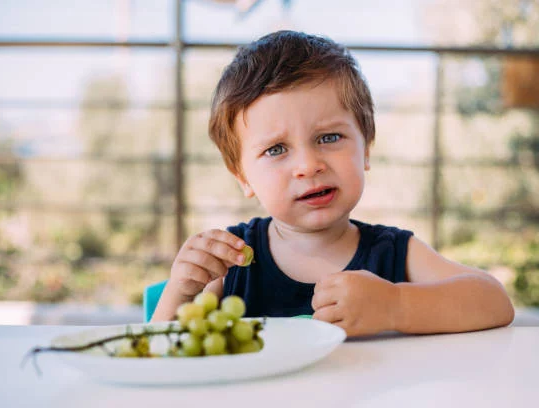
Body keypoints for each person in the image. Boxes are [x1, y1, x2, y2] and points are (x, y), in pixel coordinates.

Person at [152, 30, 515, 337]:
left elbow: (494, 301)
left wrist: (395, 305)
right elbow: (157, 349)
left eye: (328, 138)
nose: (309, 166)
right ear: (243, 177)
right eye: (277, 149)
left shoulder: (394, 253)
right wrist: (179, 293)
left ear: (366, 148)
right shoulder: (231, 261)